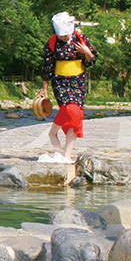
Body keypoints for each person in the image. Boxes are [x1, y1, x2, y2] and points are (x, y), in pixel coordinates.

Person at [37, 11, 97, 164]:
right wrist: (45, 87)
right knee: (69, 109)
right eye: (61, 36)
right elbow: (47, 66)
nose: (63, 38)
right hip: (60, 81)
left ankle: (67, 154)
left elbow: (91, 60)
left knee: (76, 115)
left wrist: (87, 52)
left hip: (78, 81)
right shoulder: (52, 43)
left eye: (66, 35)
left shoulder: (81, 39)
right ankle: (53, 132)